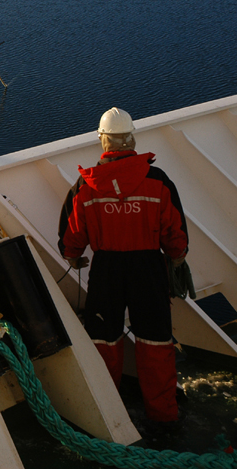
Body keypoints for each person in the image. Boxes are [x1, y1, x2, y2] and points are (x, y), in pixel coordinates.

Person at [58, 107, 188, 425]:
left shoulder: (86, 185)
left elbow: (72, 234)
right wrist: (177, 257)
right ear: (131, 139)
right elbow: (174, 231)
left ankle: (109, 415)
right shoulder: (157, 181)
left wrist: (73, 256)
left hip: (106, 270)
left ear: (103, 141)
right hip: (149, 269)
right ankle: (163, 416)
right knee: (155, 340)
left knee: (104, 340)